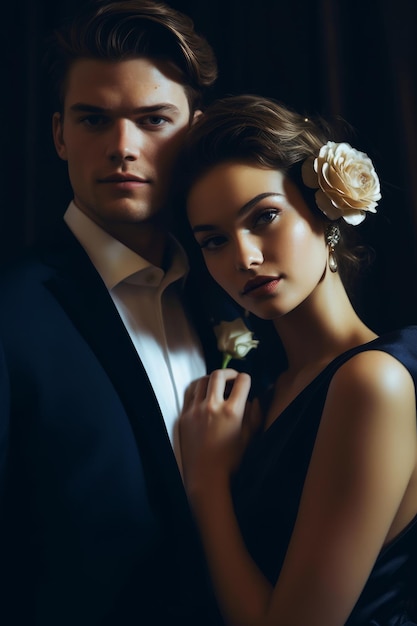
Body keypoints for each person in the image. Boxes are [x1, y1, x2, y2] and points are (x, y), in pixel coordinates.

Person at [0, 2, 225, 625]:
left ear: (195, 132)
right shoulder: (11, 316)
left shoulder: (232, 292)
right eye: (94, 119)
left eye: (153, 120)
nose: (122, 147)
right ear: (59, 135)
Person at [178, 94, 417, 626]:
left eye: (264, 217)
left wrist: (207, 485)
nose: (243, 256)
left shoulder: (374, 380)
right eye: (213, 241)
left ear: (324, 210)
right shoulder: (268, 386)